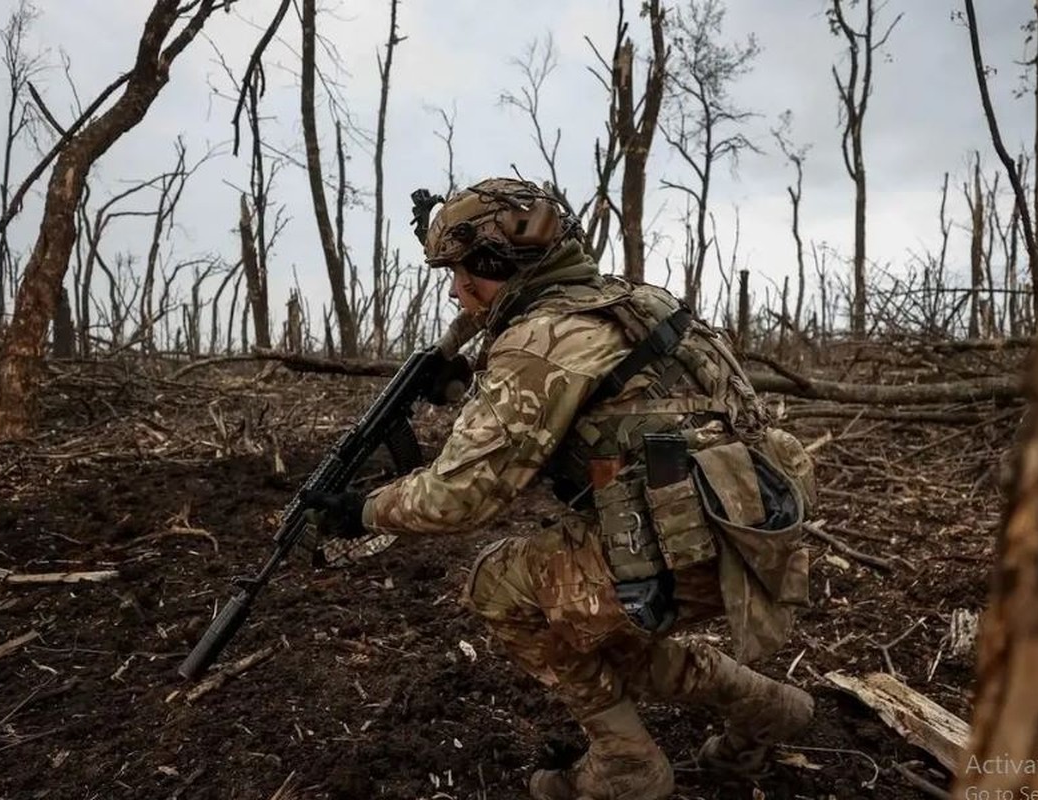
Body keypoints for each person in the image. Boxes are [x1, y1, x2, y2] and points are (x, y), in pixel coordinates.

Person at [305, 177, 815, 800]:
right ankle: (765, 706)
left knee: (497, 586)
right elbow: (602, 406)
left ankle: (625, 761)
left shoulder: (538, 340)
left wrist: (365, 510)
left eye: (465, 272)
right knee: (598, 632)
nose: (458, 290)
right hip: (759, 538)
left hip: (680, 552)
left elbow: (462, 497)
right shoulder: (637, 301)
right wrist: (464, 385)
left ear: (495, 266)